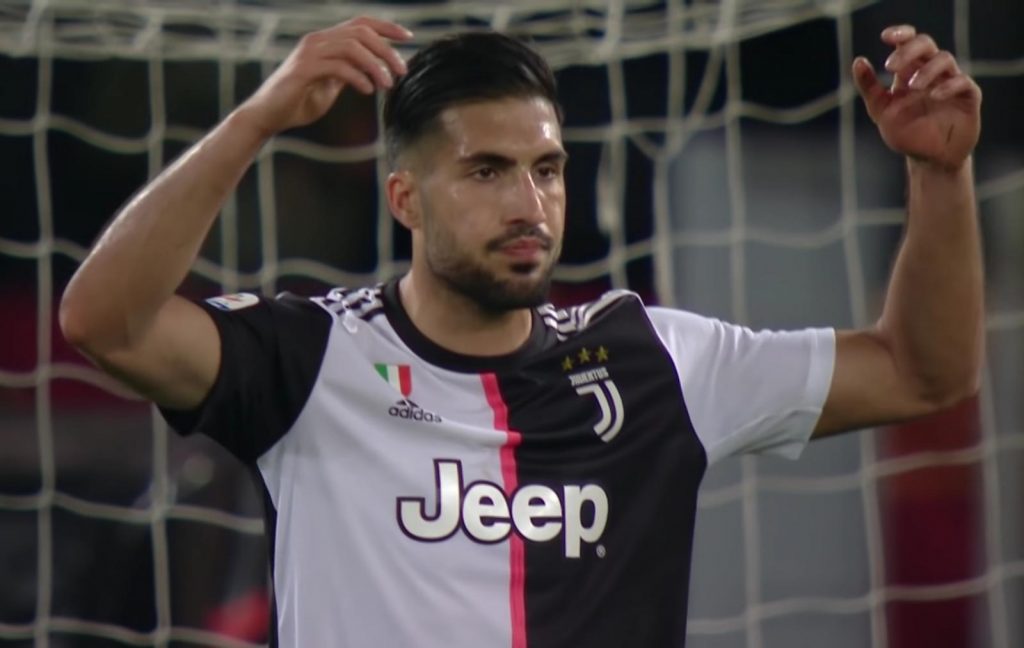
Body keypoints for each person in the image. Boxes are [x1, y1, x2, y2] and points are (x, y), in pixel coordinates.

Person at [59, 16, 983, 648]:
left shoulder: (652, 359)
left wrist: (940, 177)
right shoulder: (314, 355)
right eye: (487, 171)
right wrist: (259, 118)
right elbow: (104, 323)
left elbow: (922, 373)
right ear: (404, 198)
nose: (528, 204)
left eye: (546, 169)